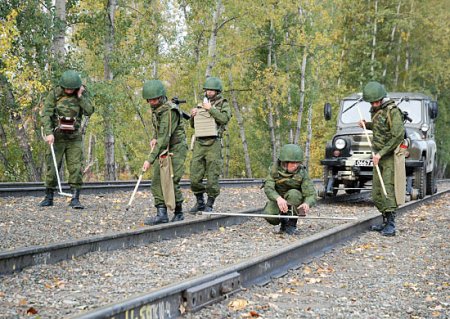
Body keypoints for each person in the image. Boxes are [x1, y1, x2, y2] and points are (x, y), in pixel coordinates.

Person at [39, 70, 94, 209]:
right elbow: (46, 114)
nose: (69, 90)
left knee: (76, 167)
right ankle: (48, 197)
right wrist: (48, 132)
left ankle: (75, 199)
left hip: (74, 137)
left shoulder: (81, 93)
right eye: (67, 88)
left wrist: (80, 96)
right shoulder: (55, 94)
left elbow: (89, 111)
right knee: (52, 166)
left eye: (72, 88)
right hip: (57, 137)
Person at [359, 81, 405, 236]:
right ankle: (384, 220)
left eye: (377, 101)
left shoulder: (393, 111)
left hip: (389, 156)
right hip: (378, 155)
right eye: (372, 102)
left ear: (382, 98)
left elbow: (398, 136)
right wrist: (367, 125)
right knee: (377, 192)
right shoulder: (376, 110)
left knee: (388, 189)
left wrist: (381, 153)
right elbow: (380, 126)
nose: (375, 104)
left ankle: (391, 225)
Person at [142, 80, 188, 225]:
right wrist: (154, 138)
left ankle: (179, 212)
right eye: (149, 100)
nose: (152, 102)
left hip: (176, 147)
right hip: (163, 146)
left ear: (161, 97)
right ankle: (161, 214)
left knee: (172, 179)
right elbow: (159, 133)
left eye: (155, 99)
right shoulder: (157, 110)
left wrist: (149, 159)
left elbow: (165, 136)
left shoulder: (170, 111)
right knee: (157, 179)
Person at [189, 77, 232, 213]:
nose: (209, 92)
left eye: (212, 90)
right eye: (207, 89)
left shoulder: (223, 104)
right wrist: (193, 115)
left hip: (214, 143)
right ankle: (200, 202)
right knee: (195, 176)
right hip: (200, 142)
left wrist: (211, 109)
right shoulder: (200, 103)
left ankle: (209, 204)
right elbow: (193, 125)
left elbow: (224, 119)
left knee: (212, 177)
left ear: (217, 91)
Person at [263, 144, 316, 235]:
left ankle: (291, 223)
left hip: (294, 198)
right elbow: (268, 188)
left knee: (294, 194)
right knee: (269, 216)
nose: (295, 166)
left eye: (297, 163)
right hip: (278, 199)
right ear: (284, 162)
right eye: (292, 163)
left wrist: (307, 203)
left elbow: (311, 194)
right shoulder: (274, 171)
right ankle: (283, 222)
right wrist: (278, 198)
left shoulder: (302, 173)